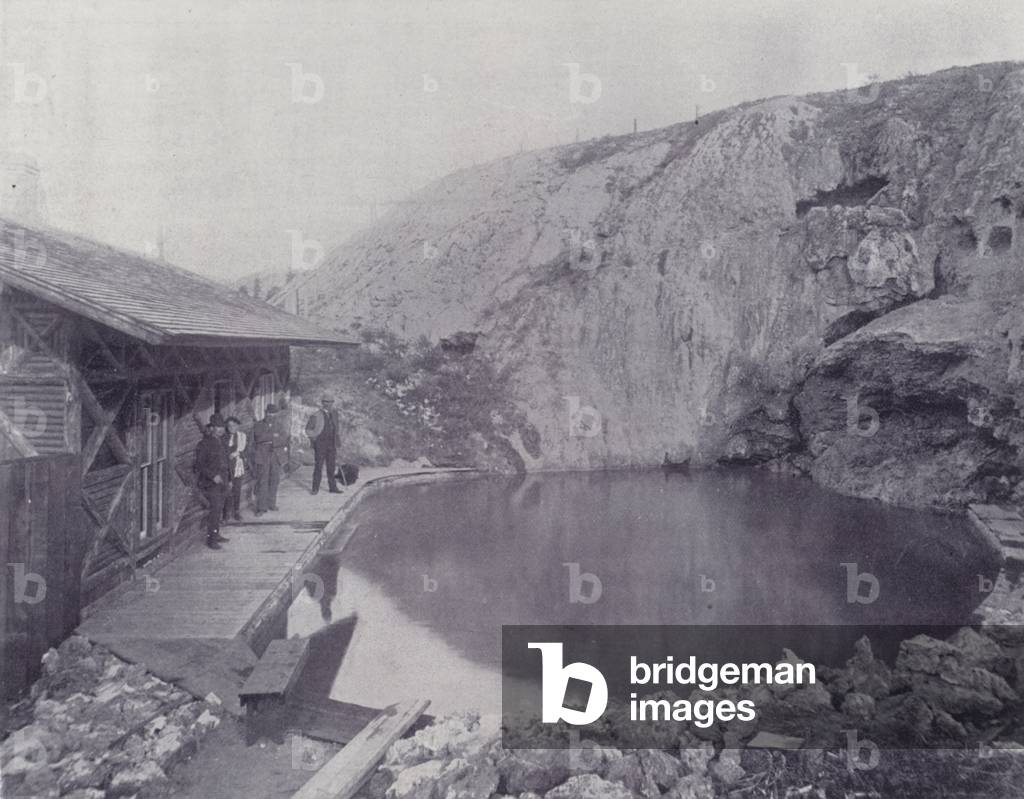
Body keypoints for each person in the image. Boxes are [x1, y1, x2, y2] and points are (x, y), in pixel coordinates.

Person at [194, 415, 231, 549]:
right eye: (217, 427)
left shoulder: (221, 442)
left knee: (219, 508)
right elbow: (199, 465)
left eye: (222, 427)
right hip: (211, 483)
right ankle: (212, 540)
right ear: (212, 428)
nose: (220, 430)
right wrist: (212, 476)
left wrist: (229, 479)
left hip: (223, 481)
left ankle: (216, 534)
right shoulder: (204, 444)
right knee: (214, 510)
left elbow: (226, 463)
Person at [306, 396, 343, 494]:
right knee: (318, 466)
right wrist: (314, 439)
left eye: (331, 402)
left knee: (331, 467)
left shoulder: (335, 414)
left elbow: (336, 428)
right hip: (320, 444)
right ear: (323, 403)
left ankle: (333, 488)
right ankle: (315, 489)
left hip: (332, 444)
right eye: (326, 402)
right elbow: (308, 429)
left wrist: (337, 440)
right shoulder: (316, 415)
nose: (329, 404)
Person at [252, 404, 281, 515]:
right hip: (262, 454)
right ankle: (261, 508)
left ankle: (271, 503)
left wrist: (271, 436)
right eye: (269, 413)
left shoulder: (279, 425)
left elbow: (284, 437)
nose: (271, 415)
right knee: (263, 481)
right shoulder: (259, 424)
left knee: (274, 480)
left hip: (275, 454)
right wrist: (273, 436)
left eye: (273, 413)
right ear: (265, 412)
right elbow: (258, 437)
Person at [223, 416, 247, 522]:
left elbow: (247, 451)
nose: (231, 428)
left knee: (237, 489)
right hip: (226, 466)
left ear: (238, 426)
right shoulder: (224, 437)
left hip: (238, 466)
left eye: (234, 425)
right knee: (227, 490)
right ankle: (226, 514)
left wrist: (238, 453)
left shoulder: (242, 436)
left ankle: (236, 512)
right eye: (229, 426)